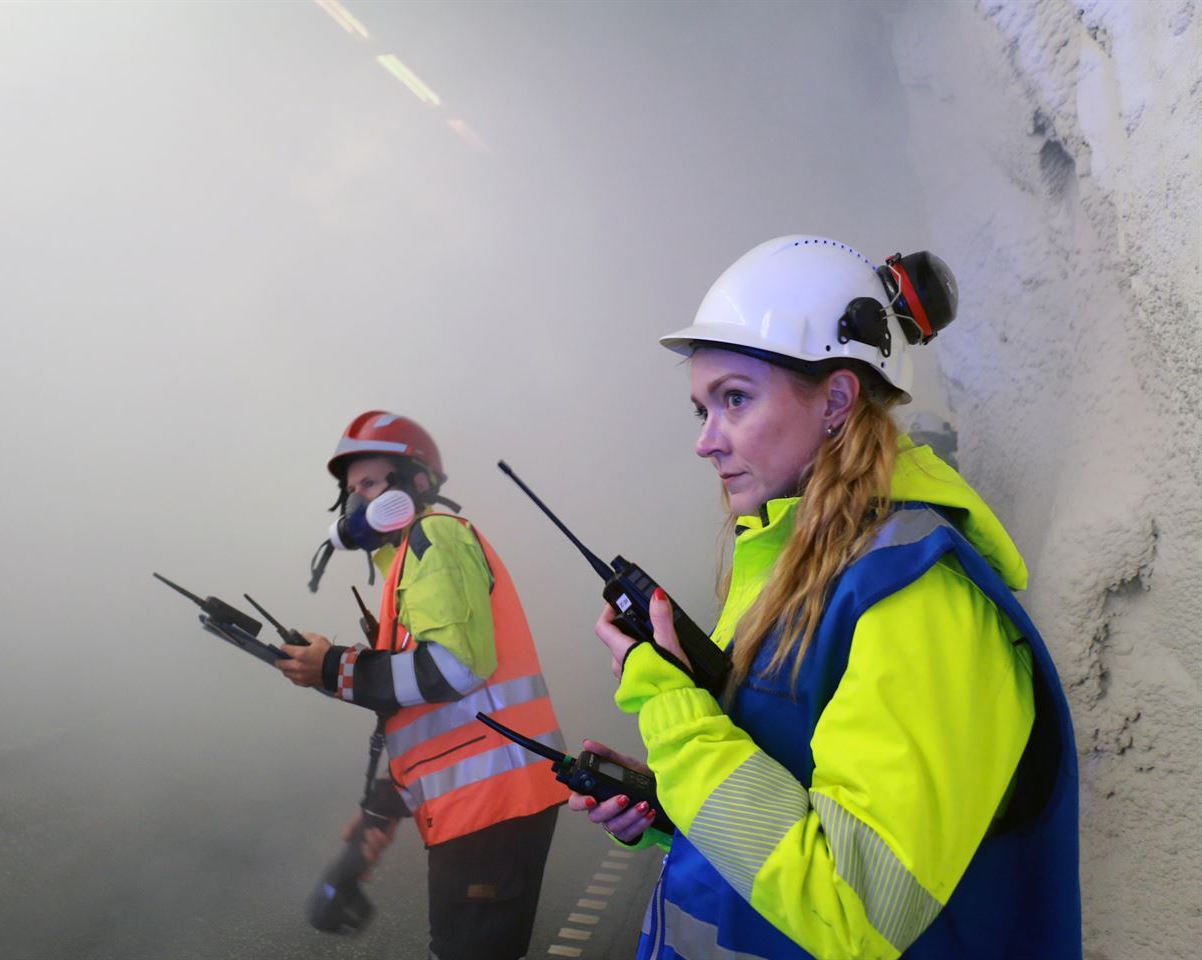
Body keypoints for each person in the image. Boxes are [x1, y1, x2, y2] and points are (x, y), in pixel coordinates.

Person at [573, 236, 1081, 959]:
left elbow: (855, 907)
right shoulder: (791, 561)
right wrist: (671, 804)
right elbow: (794, 797)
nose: (705, 442)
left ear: (837, 399)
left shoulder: (919, 601)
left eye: (735, 400)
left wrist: (670, 710)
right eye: (701, 411)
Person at [278, 411, 569, 960]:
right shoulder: (407, 564)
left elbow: (454, 671)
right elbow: (435, 719)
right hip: (484, 805)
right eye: (350, 491)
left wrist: (335, 668)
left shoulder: (431, 540)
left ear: (416, 482)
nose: (356, 503)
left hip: (493, 807)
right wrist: (384, 808)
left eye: (368, 484)